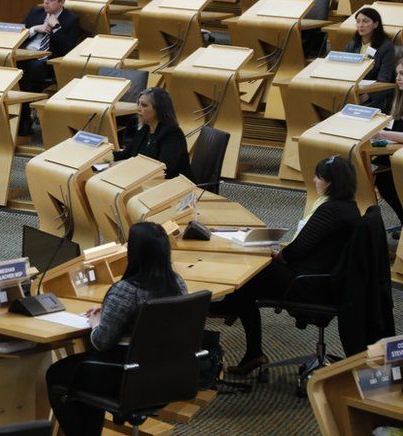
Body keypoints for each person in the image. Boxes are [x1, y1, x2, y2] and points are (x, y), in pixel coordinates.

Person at [213, 156, 360, 375]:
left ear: (329, 182)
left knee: (254, 274)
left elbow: (297, 250)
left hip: (309, 284)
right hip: (324, 279)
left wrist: (275, 254)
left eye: (318, 177)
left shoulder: (329, 211)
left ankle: (227, 311)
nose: (314, 180)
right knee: (251, 284)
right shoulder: (350, 208)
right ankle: (240, 325)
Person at [46, 222, 188, 436]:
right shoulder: (177, 283)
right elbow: (148, 313)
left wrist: (96, 322)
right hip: (163, 372)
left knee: (57, 374)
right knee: (80, 372)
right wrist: (109, 310)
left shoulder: (126, 290)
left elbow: (101, 342)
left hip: (123, 374)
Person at [18, 0, 82, 136]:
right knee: (13, 65)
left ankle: (24, 120)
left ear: (61, 2)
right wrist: (35, 29)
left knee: (26, 72)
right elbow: (18, 33)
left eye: (51, 0)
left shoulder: (71, 19)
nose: (46, 2)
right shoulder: (35, 12)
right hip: (25, 56)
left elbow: (68, 49)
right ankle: (24, 118)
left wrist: (56, 27)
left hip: (48, 62)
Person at [112, 87, 193, 179]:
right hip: (147, 182)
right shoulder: (144, 129)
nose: (138, 109)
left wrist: (125, 165)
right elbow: (126, 153)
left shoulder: (172, 134)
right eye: (138, 104)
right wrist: (101, 158)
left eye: (144, 105)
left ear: (159, 109)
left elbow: (164, 170)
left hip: (173, 186)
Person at [372, 47, 403, 228]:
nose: (398, 77)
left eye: (402, 74)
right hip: (394, 156)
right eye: (397, 73)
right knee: (380, 172)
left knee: (385, 175)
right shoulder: (397, 100)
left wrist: (382, 133)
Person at [346, 7, 396, 111]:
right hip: (352, 90)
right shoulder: (353, 44)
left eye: (365, 21)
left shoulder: (386, 47)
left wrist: (367, 96)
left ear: (375, 24)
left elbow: (384, 79)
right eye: (358, 21)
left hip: (374, 95)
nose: (360, 25)